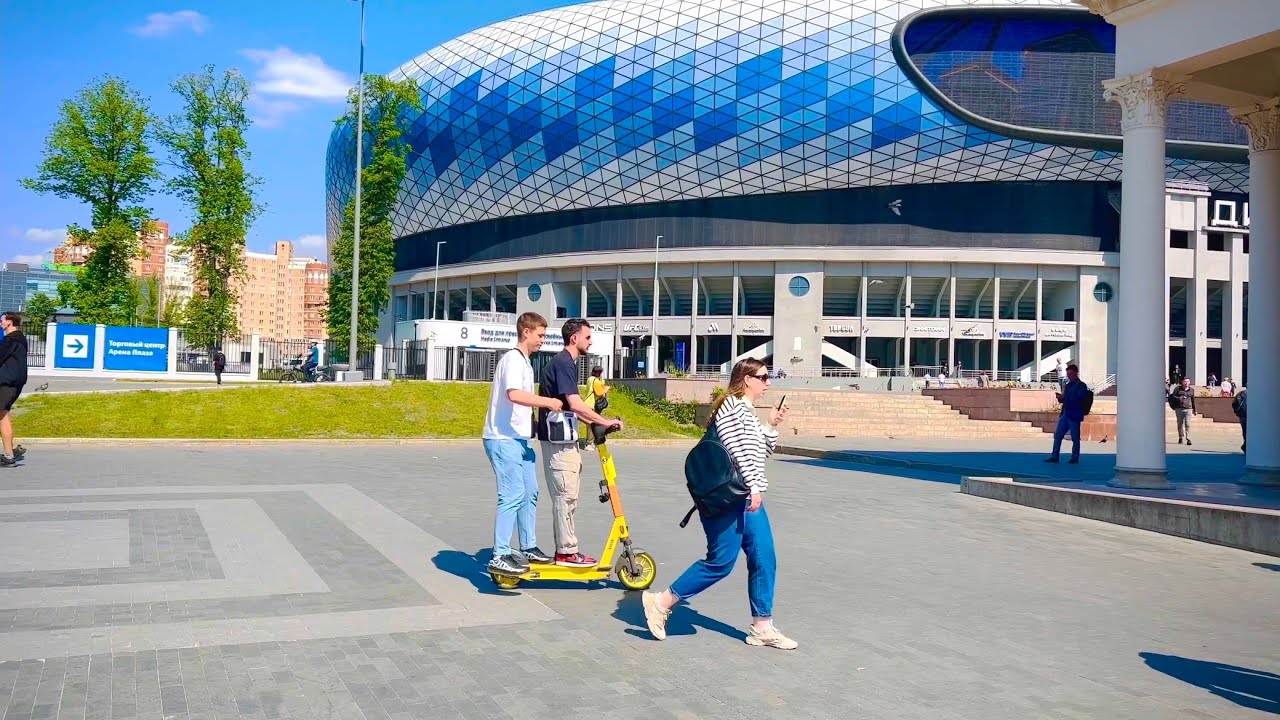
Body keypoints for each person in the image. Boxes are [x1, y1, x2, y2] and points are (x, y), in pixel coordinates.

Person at [642, 358, 795, 649]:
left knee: (764, 556)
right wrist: (754, 488)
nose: (767, 382)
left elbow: (757, 452)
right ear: (747, 379)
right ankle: (661, 603)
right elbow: (739, 455)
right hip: (730, 499)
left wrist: (771, 426)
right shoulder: (734, 408)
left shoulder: (744, 411)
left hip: (743, 496)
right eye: (763, 377)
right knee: (720, 563)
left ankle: (762, 626)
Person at [483, 312, 564, 576]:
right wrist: (548, 402)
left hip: (519, 439)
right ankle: (500, 554)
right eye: (540, 335)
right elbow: (514, 394)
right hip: (502, 437)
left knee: (530, 492)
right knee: (512, 494)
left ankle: (528, 546)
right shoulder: (512, 360)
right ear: (525, 332)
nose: (543, 340)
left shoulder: (526, 363)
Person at [537, 319, 622, 567]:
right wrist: (604, 421)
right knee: (565, 495)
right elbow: (575, 404)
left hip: (564, 438)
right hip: (558, 442)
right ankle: (566, 552)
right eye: (587, 337)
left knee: (569, 494)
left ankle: (567, 549)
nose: (591, 341)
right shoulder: (563, 363)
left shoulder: (566, 363)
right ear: (574, 338)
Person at [0, 312, 29, 467]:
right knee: (4, 416)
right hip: (13, 382)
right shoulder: (20, 339)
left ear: (9, 322)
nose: (0, 323)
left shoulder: (10, 340)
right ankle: (9, 450)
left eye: (2, 320)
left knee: (2, 417)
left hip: (7, 383)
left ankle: (8, 455)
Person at [1045, 363, 1089, 464]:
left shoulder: (1081, 386)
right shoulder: (1068, 385)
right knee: (1058, 435)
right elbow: (1066, 399)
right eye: (1068, 374)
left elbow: (1080, 399)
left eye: (1071, 374)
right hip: (1065, 413)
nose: (1069, 376)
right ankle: (1054, 456)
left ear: (1076, 373)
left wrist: (1066, 398)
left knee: (1075, 437)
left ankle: (1075, 457)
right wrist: (1061, 398)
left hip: (1074, 414)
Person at [581, 365, 610, 449]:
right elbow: (599, 392)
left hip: (588, 403)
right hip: (593, 404)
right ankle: (590, 443)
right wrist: (606, 389)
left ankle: (592, 441)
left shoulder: (590, 379)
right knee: (593, 424)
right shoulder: (596, 381)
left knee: (591, 424)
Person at [1168, 376, 1195, 446]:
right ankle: (1180, 436)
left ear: (1189, 382)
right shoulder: (1177, 389)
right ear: (1182, 382)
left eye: (1188, 381)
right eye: (1185, 381)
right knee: (1180, 424)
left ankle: (1188, 438)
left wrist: (1194, 409)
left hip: (1188, 408)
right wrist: (1179, 398)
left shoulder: (1191, 390)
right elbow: (1172, 396)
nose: (1186, 383)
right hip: (1179, 408)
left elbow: (1193, 400)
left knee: (1188, 424)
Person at [1232, 387, 1247, 452]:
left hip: (1243, 415)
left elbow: (1234, 404)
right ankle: (1246, 445)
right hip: (1254, 415)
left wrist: (1237, 412)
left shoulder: (1241, 393)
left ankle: (1246, 445)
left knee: (1245, 430)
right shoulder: (1258, 394)